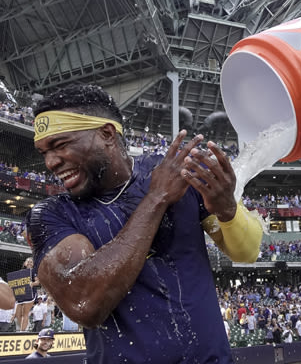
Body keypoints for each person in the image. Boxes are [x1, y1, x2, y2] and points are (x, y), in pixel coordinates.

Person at [26, 84, 263, 363]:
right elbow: (85, 304)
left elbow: (247, 252)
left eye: (61, 144)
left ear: (106, 134)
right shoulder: (52, 214)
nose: (51, 162)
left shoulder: (178, 171)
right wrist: (156, 200)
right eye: (44, 152)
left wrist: (226, 210)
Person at [13, 257, 40, 332]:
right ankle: (25, 327)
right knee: (18, 314)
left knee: (25, 313)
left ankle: (22, 332)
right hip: (21, 294)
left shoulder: (34, 271)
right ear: (25, 263)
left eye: (31, 262)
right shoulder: (21, 272)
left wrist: (32, 283)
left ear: (33, 264)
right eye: (28, 261)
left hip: (30, 294)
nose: (29, 263)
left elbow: (38, 282)